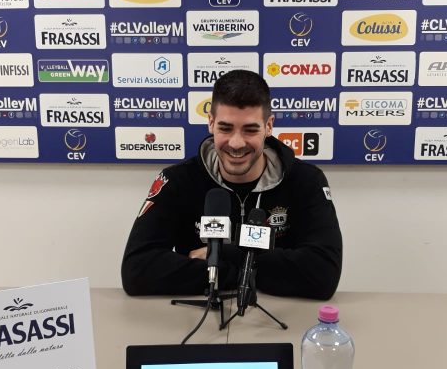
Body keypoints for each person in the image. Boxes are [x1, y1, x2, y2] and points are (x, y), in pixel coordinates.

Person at [121, 69, 342, 300]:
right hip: (199, 313)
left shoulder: (306, 181)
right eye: (225, 128)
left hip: (280, 314)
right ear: (210, 122)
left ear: (268, 126)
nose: (236, 143)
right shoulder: (178, 180)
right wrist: (243, 273)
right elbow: (137, 270)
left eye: (250, 130)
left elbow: (323, 275)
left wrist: (225, 256)